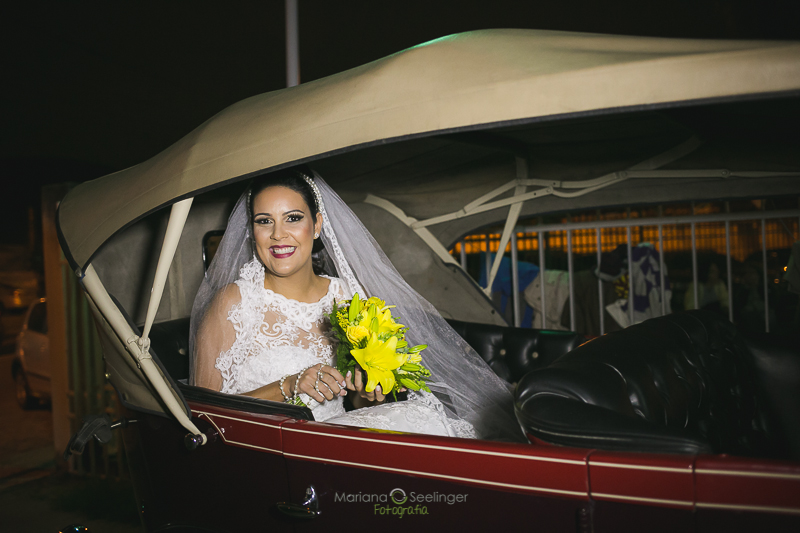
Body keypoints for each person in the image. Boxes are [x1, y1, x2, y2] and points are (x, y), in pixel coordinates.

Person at [190, 166, 523, 442]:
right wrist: (288, 385)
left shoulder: (346, 296)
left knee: (424, 419)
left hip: (334, 440)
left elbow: (354, 400)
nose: (279, 234)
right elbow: (200, 414)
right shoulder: (233, 303)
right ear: (252, 231)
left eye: (292, 218)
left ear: (317, 225)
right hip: (260, 445)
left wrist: (367, 391)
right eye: (265, 221)